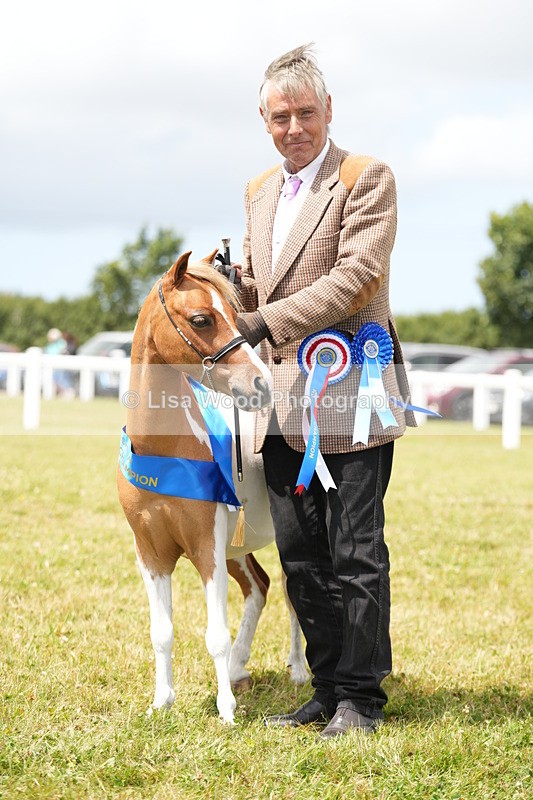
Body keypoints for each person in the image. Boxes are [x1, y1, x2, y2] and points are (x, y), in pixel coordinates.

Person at [235, 44, 416, 738]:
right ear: (265, 121)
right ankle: (325, 685)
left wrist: (260, 319)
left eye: (305, 113)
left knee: (356, 550)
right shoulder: (255, 190)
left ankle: (361, 699)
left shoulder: (364, 178)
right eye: (279, 117)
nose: (293, 128)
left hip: (351, 384)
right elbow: (254, 283)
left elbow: (355, 279)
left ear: (327, 110)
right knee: (300, 552)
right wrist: (222, 292)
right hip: (280, 398)